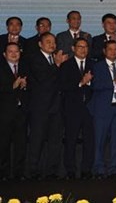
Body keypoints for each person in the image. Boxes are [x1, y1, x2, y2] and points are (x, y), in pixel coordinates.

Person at [27, 32, 67, 179]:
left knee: (55, 141)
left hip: (56, 106)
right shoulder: (34, 58)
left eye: (54, 42)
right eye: (48, 42)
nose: (52, 44)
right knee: (37, 140)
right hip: (40, 107)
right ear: (40, 44)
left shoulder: (57, 58)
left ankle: (51, 171)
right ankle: (32, 171)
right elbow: (43, 79)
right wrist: (57, 64)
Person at [89, 40, 116, 179]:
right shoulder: (97, 66)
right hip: (102, 109)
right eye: (110, 49)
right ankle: (98, 168)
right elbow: (95, 85)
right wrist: (114, 82)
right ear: (104, 51)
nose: (113, 52)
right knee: (99, 140)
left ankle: (114, 169)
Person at [58, 38, 95, 179]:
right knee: (71, 140)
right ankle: (70, 170)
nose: (83, 49)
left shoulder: (93, 64)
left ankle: (87, 169)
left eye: (85, 47)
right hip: (71, 108)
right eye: (80, 47)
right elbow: (62, 86)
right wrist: (80, 83)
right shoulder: (66, 65)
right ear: (73, 48)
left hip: (89, 108)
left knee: (89, 140)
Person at [0, 42, 28, 181]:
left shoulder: (24, 68)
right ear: (4, 54)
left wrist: (25, 86)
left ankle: (19, 173)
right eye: (10, 51)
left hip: (21, 112)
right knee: (3, 144)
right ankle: (3, 173)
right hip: (4, 113)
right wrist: (13, 85)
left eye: (16, 51)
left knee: (21, 144)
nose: (13, 53)